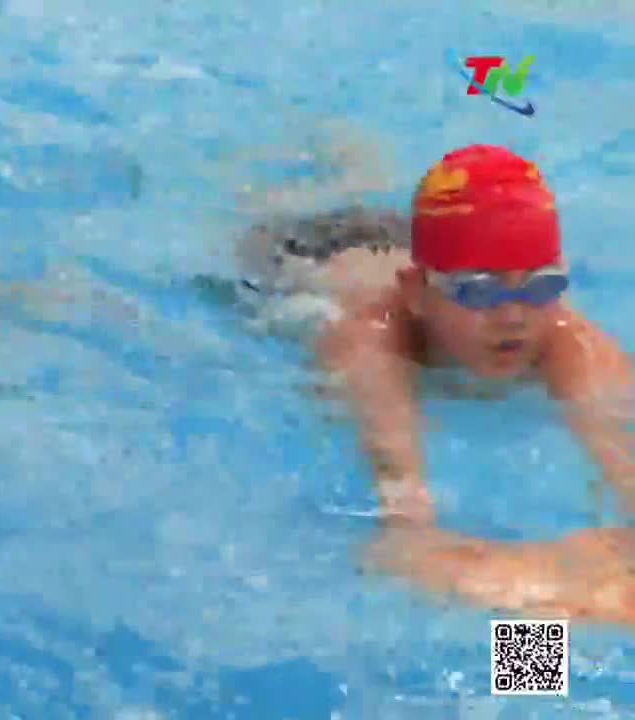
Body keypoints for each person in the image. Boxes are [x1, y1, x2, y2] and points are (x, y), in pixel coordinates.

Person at [232, 144, 635, 624]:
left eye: (540, 285)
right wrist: (549, 584)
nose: (513, 316)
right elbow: (401, 539)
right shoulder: (370, 350)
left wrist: (579, 583)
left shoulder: (574, 346)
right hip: (300, 257)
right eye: (479, 291)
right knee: (529, 605)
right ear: (417, 294)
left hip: (417, 245)